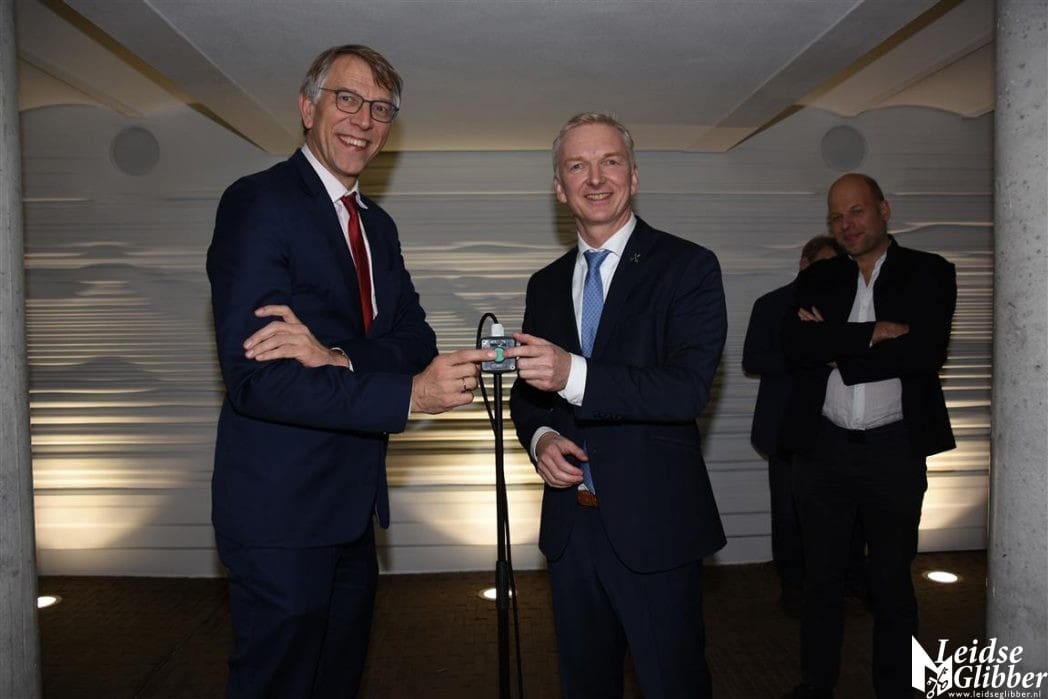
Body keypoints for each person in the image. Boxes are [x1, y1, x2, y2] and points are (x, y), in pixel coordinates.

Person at [206, 44, 492, 698]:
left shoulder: (378, 227)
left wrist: (337, 355)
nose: (364, 119)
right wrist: (409, 395)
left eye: (381, 108)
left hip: (352, 513)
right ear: (307, 108)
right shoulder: (259, 204)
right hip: (280, 515)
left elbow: (416, 338)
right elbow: (260, 379)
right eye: (348, 99)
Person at [507, 113, 727, 698]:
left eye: (610, 162)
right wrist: (541, 439)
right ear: (559, 188)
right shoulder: (544, 284)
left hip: (655, 525)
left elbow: (685, 389)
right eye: (577, 166)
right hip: (570, 529)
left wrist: (573, 374)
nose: (596, 178)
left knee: (673, 683)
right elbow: (529, 396)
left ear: (634, 176)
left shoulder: (688, 267)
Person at [782, 173, 956, 699]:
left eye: (856, 211)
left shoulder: (929, 271)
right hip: (823, 450)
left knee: (891, 580)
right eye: (836, 217)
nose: (846, 225)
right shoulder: (820, 277)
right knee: (821, 580)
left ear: (884, 209)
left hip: (894, 451)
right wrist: (874, 333)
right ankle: (816, 685)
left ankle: (897, 689)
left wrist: (836, 347)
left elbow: (924, 353)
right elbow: (795, 347)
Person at [742, 235, 845, 612]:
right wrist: (807, 356)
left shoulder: (846, 304)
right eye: (823, 265)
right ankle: (792, 586)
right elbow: (752, 361)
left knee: (835, 511)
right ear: (804, 263)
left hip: (833, 425)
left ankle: (838, 582)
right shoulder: (771, 304)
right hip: (783, 425)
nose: (830, 274)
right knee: (787, 511)